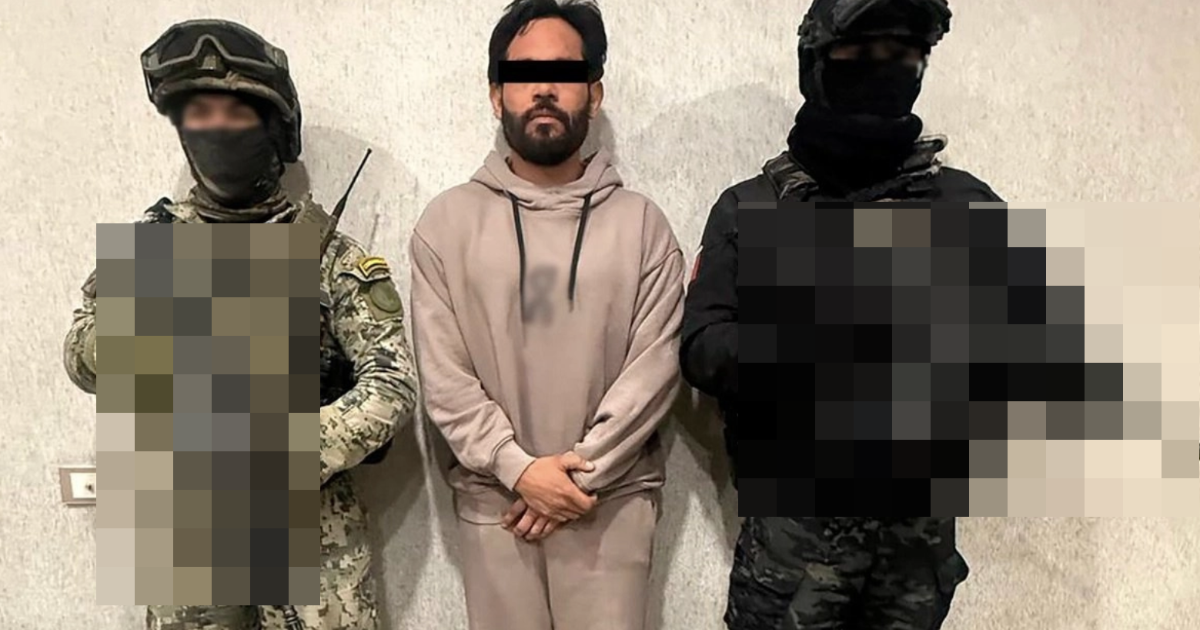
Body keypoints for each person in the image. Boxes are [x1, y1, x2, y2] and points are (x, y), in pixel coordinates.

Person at [61, 19, 417, 630]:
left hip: (312, 524)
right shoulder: (154, 246)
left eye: (236, 112)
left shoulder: (330, 254)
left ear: (274, 129)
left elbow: (393, 383)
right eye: (200, 113)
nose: (217, 130)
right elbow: (80, 355)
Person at [680, 1, 997, 629]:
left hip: (914, 555)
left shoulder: (965, 206)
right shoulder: (754, 208)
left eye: (904, 53)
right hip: (793, 557)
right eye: (862, 52)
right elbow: (701, 347)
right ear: (817, 62)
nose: (885, 68)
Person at [408, 2, 684, 629]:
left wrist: (574, 479)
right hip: (497, 509)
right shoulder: (445, 225)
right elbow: (445, 378)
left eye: (563, 73)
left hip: (609, 506)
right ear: (496, 94)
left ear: (594, 93)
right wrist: (520, 469)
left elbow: (656, 369)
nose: (543, 90)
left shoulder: (642, 225)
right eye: (524, 73)